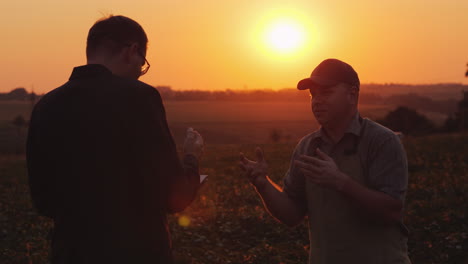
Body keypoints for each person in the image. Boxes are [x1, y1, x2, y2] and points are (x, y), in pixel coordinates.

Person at [26, 15, 204, 264]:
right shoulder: (139, 97)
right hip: (136, 252)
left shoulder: (46, 105)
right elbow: (174, 196)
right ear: (132, 51)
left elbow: (43, 201)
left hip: (69, 253)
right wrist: (191, 157)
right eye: (143, 63)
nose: (141, 73)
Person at [240, 59, 411, 263]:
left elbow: (391, 211)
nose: (317, 101)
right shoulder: (307, 147)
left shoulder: (381, 141)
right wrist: (263, 184)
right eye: (313, 95)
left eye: (326, 92)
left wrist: (340, 182)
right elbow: (291, 215)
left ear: (352, 94)